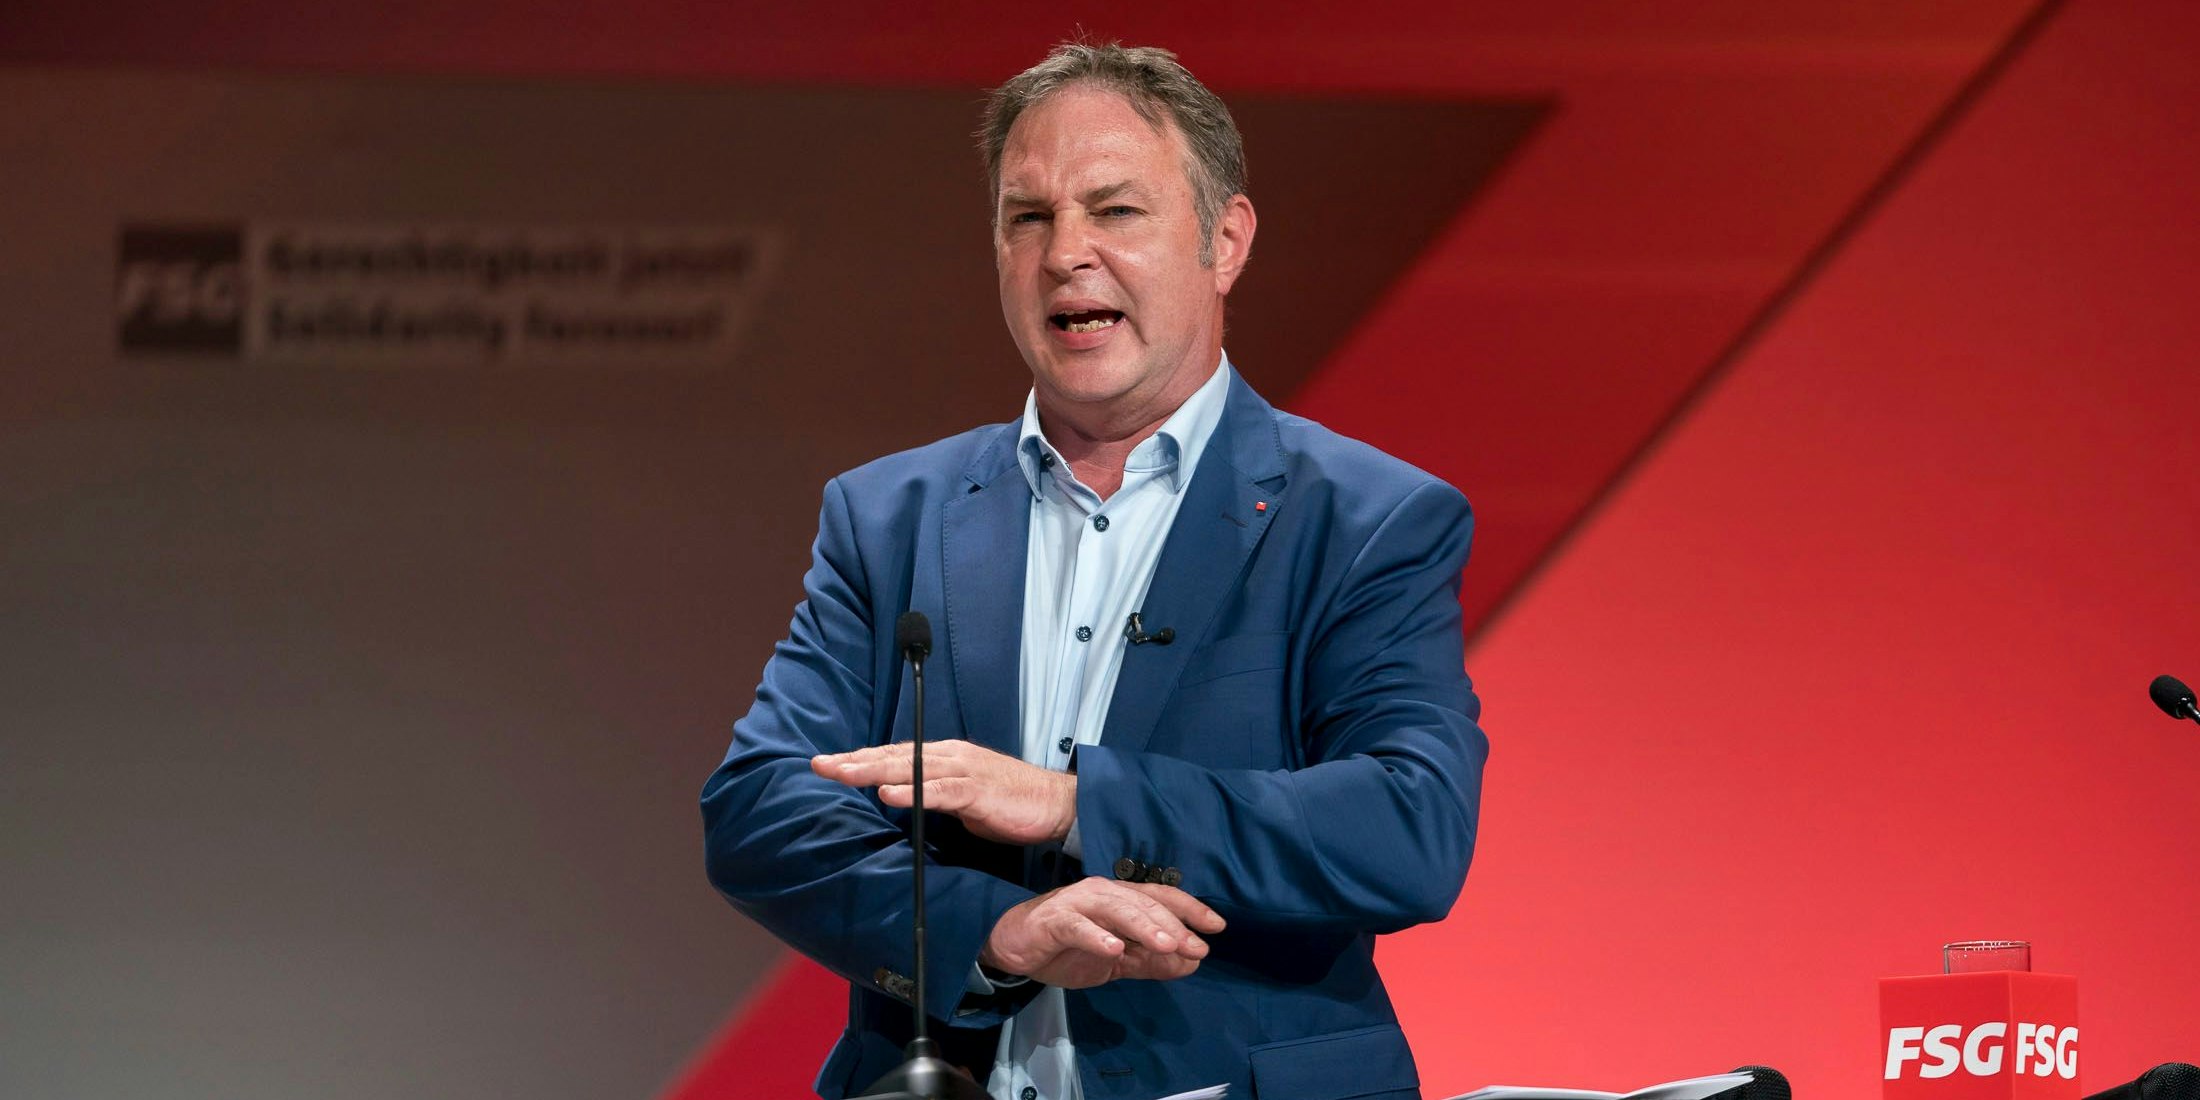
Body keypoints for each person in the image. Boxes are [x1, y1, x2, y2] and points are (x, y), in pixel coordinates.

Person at [701, 41, 1486, 1100]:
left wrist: (1078, 805)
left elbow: (1407, 824)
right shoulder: (889, 517)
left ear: (1225, 239)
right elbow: (762, 807)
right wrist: (998, 932)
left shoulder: (1364, 518)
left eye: (1114, 210)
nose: (1065, 253)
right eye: (1028, 217)